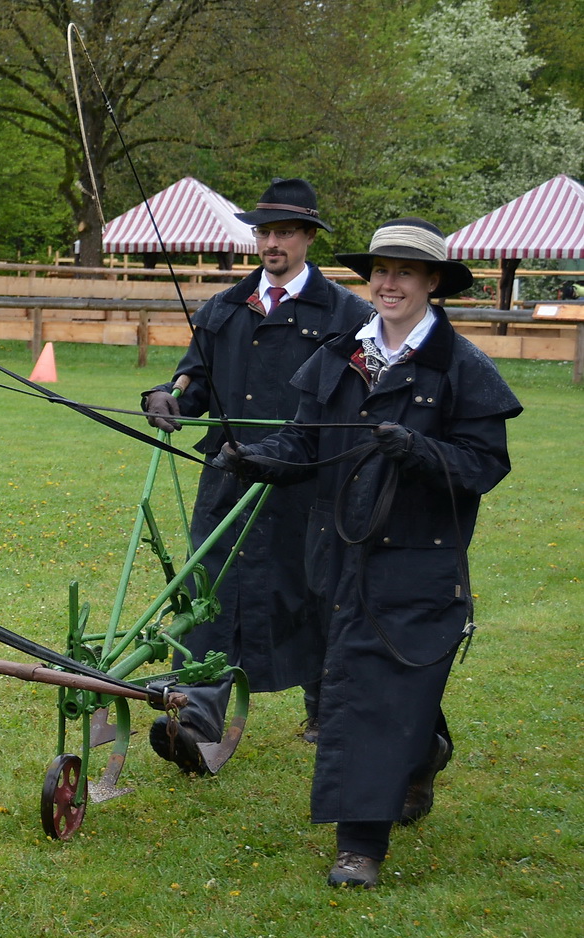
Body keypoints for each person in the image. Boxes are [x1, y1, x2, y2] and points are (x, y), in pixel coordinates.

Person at [215, 217, 521, 887]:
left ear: (432, 283)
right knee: (368, 685)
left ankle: (359, 846)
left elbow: (484, 463)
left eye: (405, 272)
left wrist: (421, 452)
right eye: (380, 270)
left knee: (372, 695)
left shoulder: (461, 367)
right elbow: (303, 442)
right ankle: (422, 750)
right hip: (336, 560)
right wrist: (254, 459)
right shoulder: (337, 355)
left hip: (417, 561)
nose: (388, 283)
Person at [140, 178, 374, 771]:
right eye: (264, 232)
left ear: (308, 238)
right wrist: (164, 399)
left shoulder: (350, 315)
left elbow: (363, 400)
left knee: (312, 591)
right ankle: (195, 716)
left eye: (286, 232)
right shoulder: (222, 307)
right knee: (210, 592)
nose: (273, 243)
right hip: (228, 475)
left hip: (309, 482)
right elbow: (190, 384)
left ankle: (328, 708)